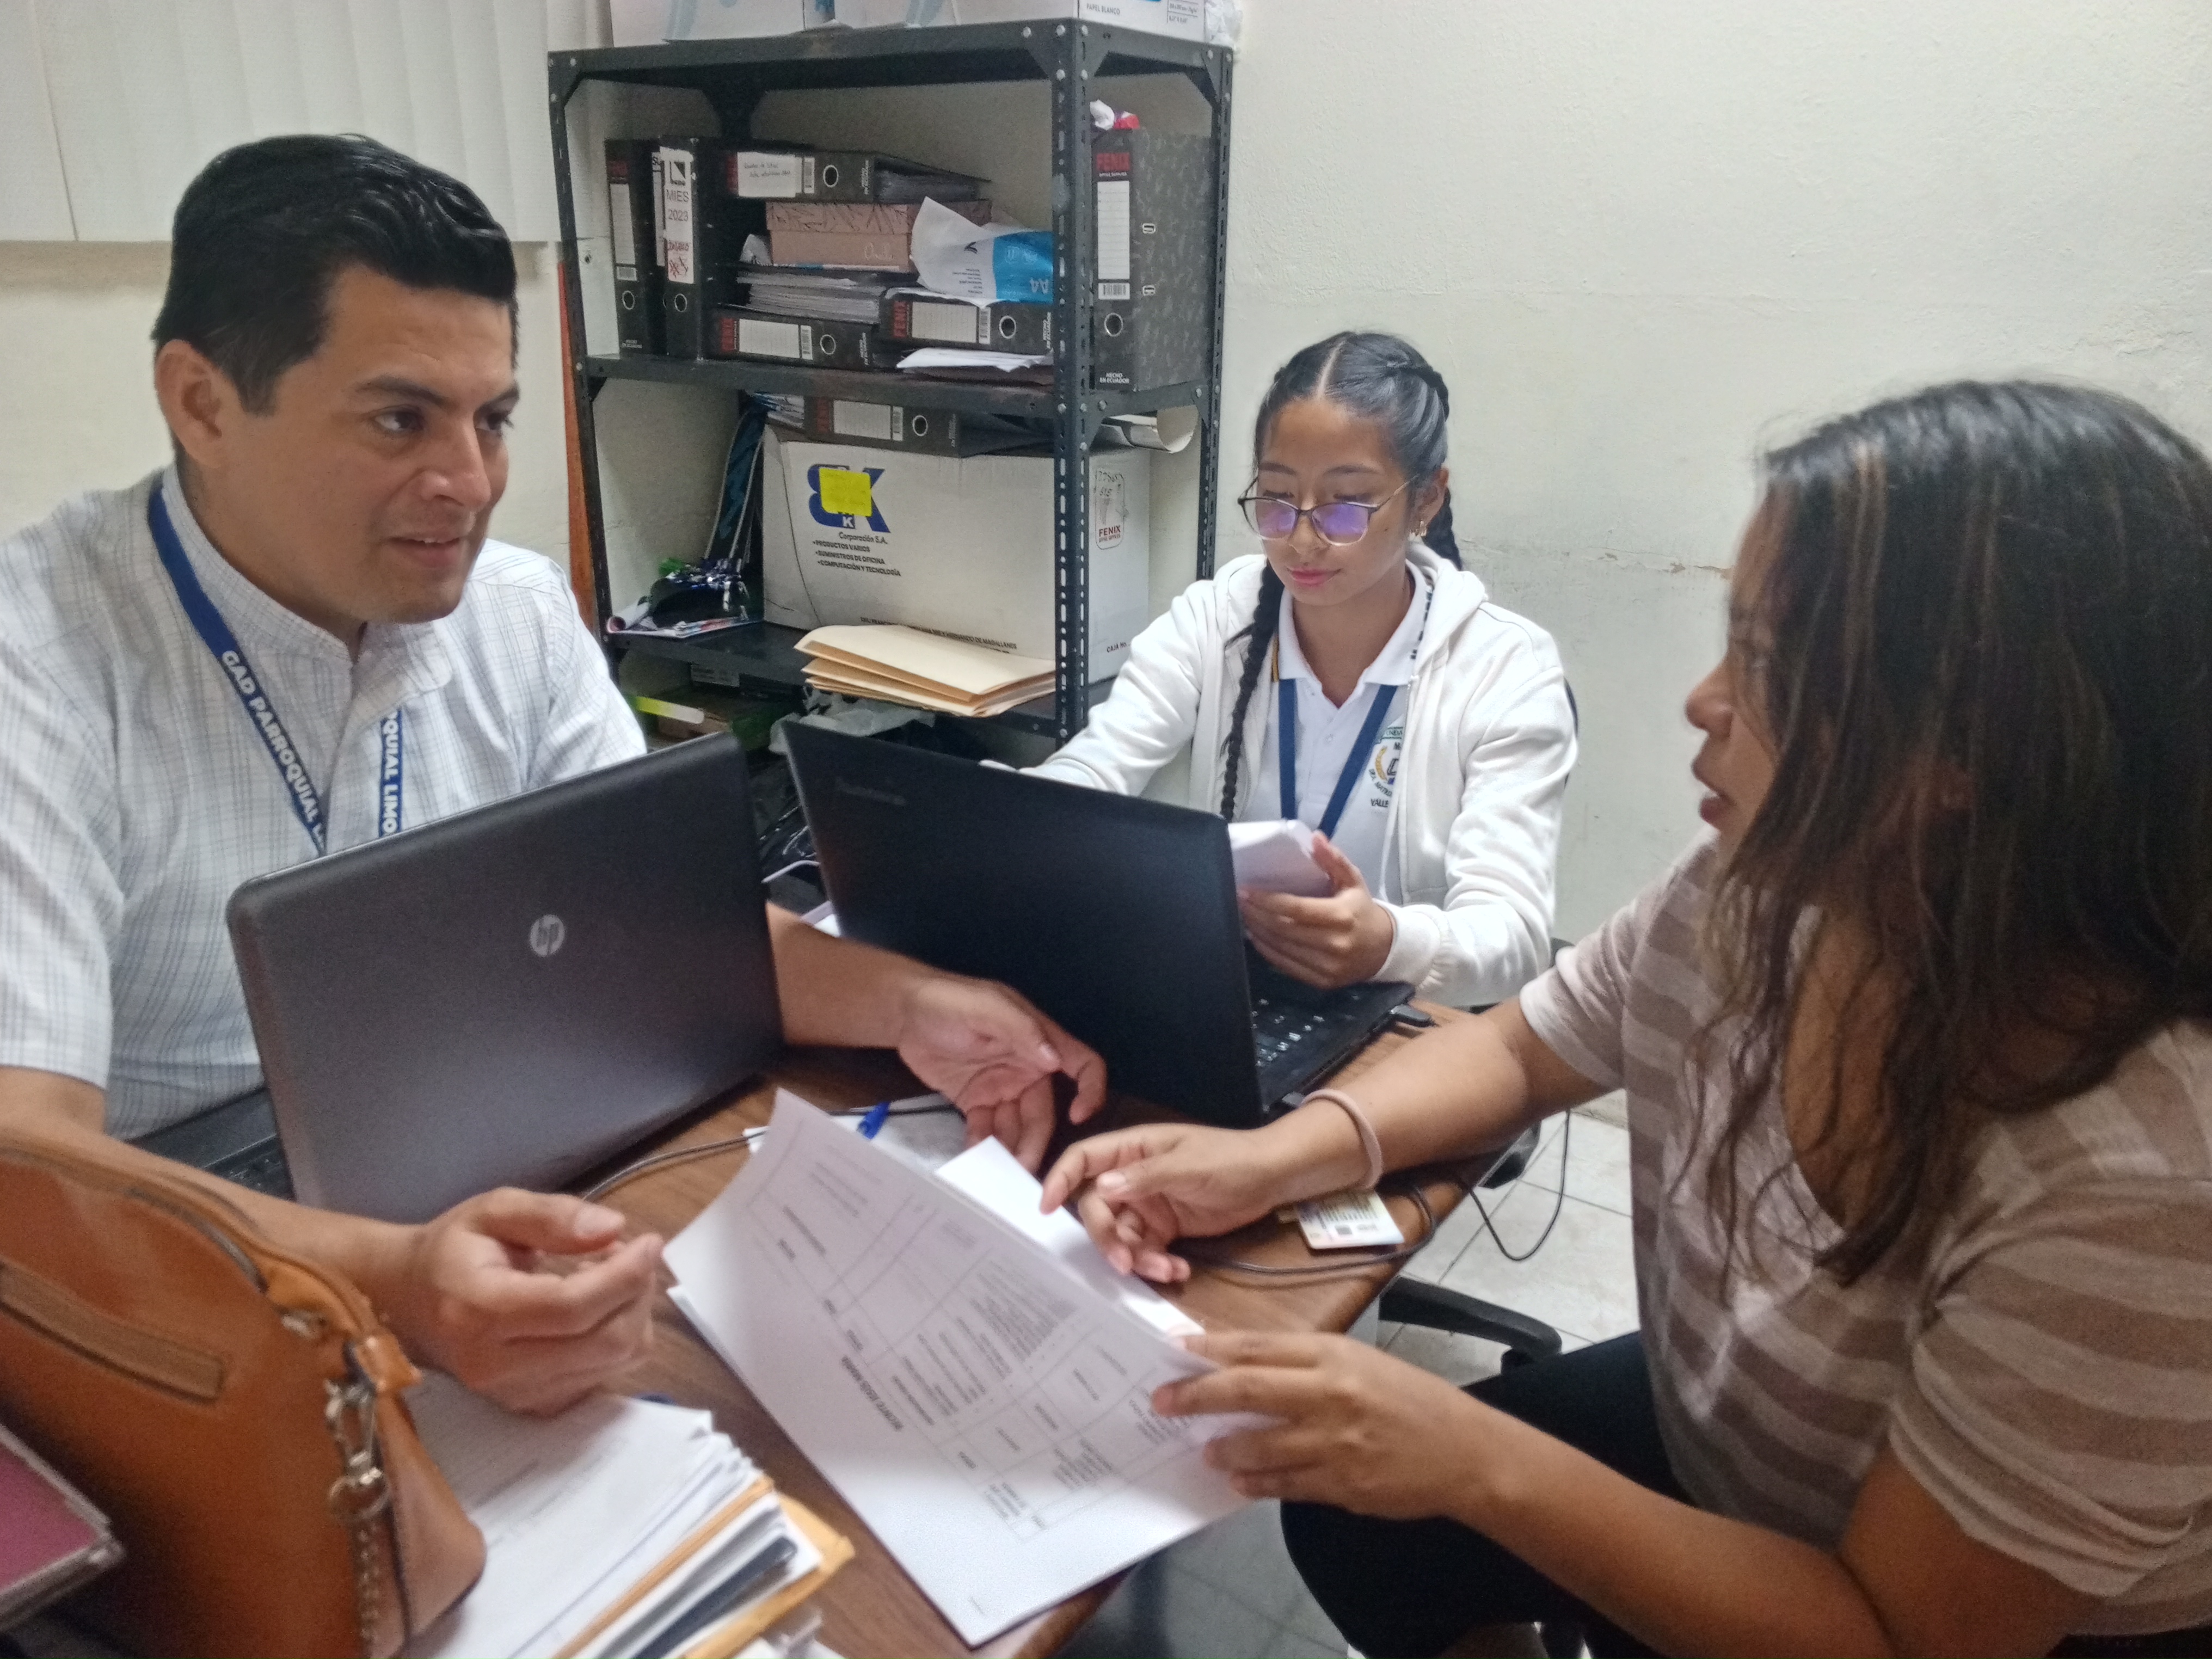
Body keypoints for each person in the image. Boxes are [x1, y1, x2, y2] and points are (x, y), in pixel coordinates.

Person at [1042, 382, 2212, 1656]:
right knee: (1355, 1524)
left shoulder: (2132, 1188)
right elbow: (1520, 1043)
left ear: (1969, 753)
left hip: (1909, 1610)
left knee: (1428, 1485)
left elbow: (1893, 1637)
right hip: (1728, 1424)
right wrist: (1266, 1160)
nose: (1703, 700)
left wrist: (1469, 1454)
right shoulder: (1756, 889)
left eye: (1764, 662)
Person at [0, 134, 1103, 1418]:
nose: (468, 485)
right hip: (162, 1267)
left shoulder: (512, 610)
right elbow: (31, 1173)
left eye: (492, 419)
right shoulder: (43, 662)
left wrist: (908, 1002)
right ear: (202, 404)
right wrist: (390, 1280)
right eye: (400, 419)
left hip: (467, 1149)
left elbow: (664, 933)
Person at [1031, 332, 1576, 1009]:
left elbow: (1513, 937)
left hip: (1410, 1018)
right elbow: (1095, 768)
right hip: (1235, 988)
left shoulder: (1503, 668)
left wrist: (1386, 942)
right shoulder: (1215, 618)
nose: (1300, 539)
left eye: (1346, 506)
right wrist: (1017, 824)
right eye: (1277, 499)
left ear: (1426, 500)